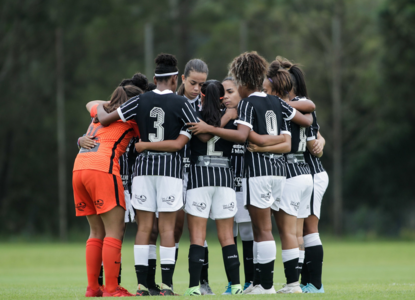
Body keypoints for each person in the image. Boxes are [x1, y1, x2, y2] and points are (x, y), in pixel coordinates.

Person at [187, 51, 312, 295]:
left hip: (258, 172)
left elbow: (243, 136)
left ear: (243, 82)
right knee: (280, 230)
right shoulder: (278, 102)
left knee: (262, 231)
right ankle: (290, 284)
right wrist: (269, 142)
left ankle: (265, 286)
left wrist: (214, 129)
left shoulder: (247, 104)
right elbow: (287, 140)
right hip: (280, 172)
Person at [96, 53, 199, 296]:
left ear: (155, 78)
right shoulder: (183, 103)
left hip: (142, 172)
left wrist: (98, 106)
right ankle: (166, 286)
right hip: (170, 173)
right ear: (175, 80)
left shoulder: (140, 101)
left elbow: (105, 119)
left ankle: (142, 286)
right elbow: (191, 134)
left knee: (143, 228)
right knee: (166, 229)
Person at [78, 73, 149, 291]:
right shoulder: (131, 118)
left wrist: (107, 105)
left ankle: (93, 288)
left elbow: (92, 103)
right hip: (103, 170)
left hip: (80, 166)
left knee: (95, 232)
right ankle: (111, 289)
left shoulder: (100, 113)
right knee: (115, 230)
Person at [257, 59, 315, 293]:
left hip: (289, 172)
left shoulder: (277, 107)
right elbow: (310, 112)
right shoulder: (301, 104)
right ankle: (295, 282)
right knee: (298, 233)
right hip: (305, 172)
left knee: (287, 233)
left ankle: (292, 284)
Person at [280, 58, 328, 293]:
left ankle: (314, 284)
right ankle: (302, 283)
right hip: (307, 173)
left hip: (311, 172)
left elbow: (312, 141)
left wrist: (318, 142)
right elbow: (317, 133)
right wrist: (321, 139)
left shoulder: (299, 104)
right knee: (302, 230)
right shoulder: (297, 104)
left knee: (309, 230)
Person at [175, 59, 214, 295]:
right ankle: (164, 282)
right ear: (182, 79)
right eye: (193, 83)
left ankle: (203, 281)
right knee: (173, 228)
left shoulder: (207, 105)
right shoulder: (172, 101)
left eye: (201, 84)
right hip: (173, 172)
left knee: (198, 230)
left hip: (199, 173)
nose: (197, 89)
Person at [220, 77, 254, 294]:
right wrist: (226, 117)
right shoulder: (218, 117)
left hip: (246, 184)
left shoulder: (250, 115)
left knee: (248, 233)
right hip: (224, 185)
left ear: (241, 92)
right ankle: (233, 283)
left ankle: (251, 281)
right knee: (228, 233)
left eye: (230, 91)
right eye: (222, 93)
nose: (225, 97)